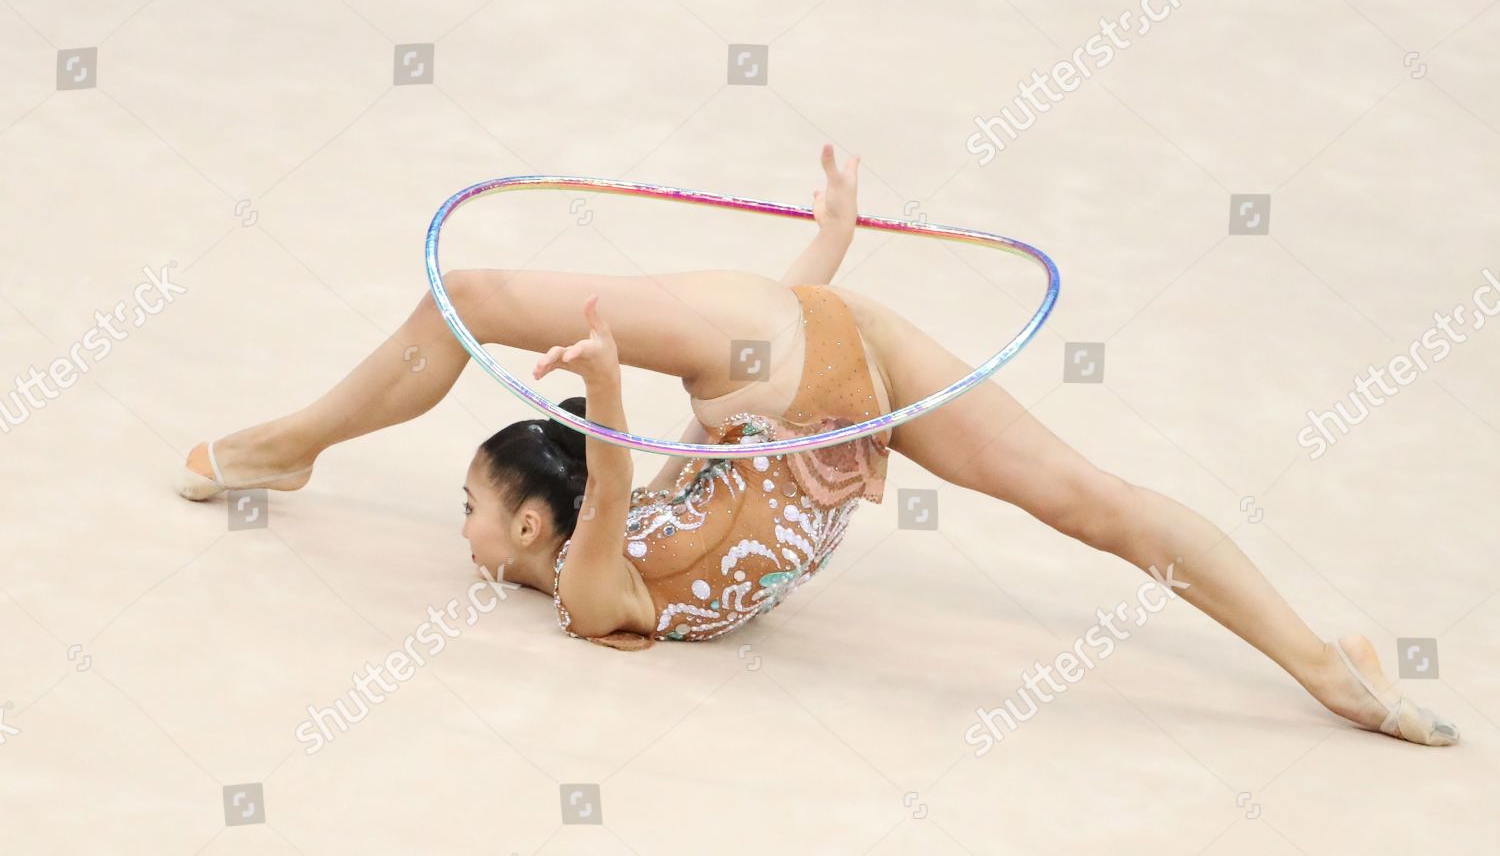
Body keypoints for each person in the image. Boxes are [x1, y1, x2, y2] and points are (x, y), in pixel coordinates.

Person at [175, 144, 1457, 746]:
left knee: (1093, 501)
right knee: (1089, 497)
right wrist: (613, 371)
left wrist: (824, 245)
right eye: (468, 506)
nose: (459, 534)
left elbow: (654, 457)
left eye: (464, 507)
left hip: (807, 370)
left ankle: (290, 444)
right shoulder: (601, 573)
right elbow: (613, 466)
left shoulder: (640, 546)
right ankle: (1320, 664)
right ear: (534, 525)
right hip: (826, 368)